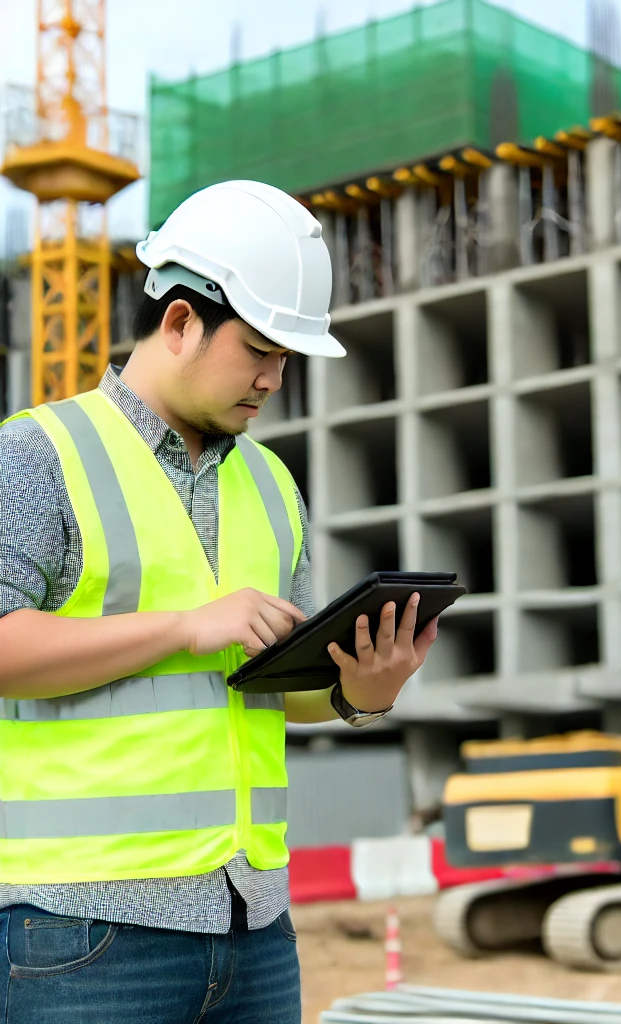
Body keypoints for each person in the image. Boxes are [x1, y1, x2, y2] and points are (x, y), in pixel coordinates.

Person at [0, 179, 438, 1023]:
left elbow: (271, 686)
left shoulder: (272, 482)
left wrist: (358, 694)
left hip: (255, 922)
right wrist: (184, 627)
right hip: (81, 928)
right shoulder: (36, 453)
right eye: (261, 351)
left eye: (286, 359)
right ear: (179, 323)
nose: (275, 379)